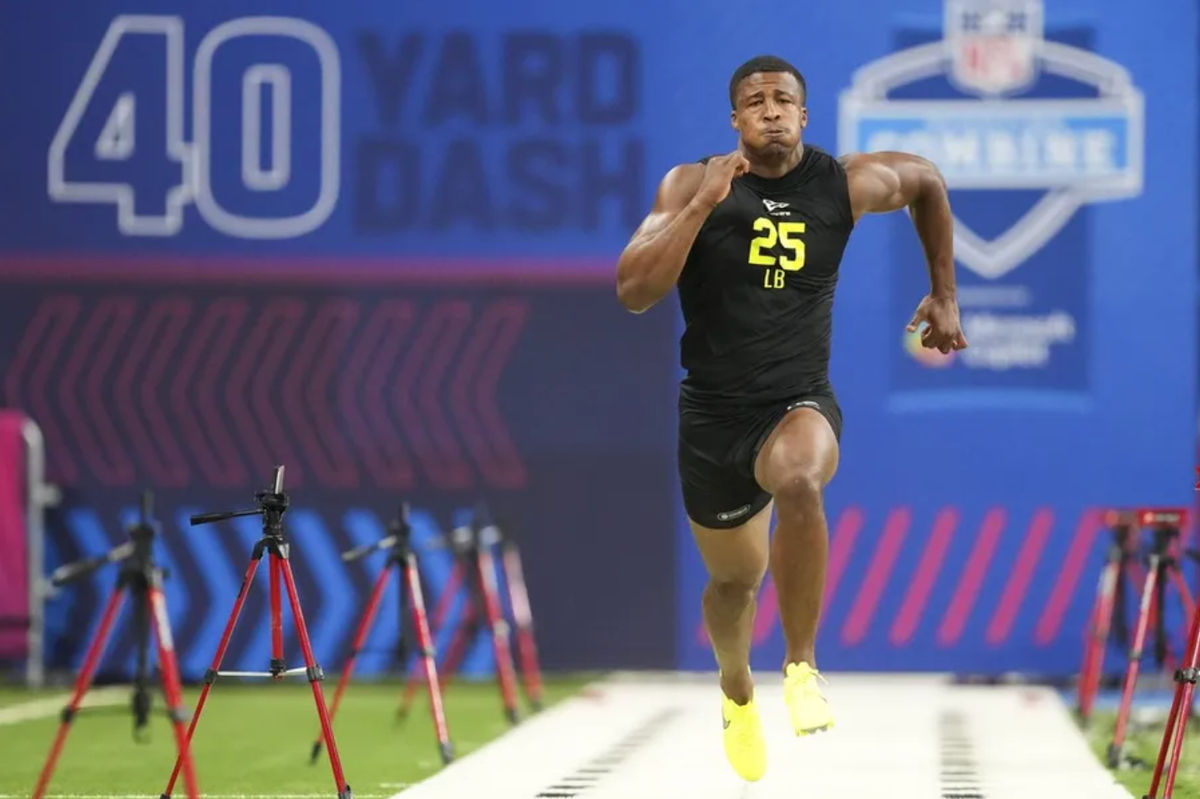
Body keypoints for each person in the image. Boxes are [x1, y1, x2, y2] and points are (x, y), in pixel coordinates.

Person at [615, 54, 968, 782]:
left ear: (805, 116)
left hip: (795, 399)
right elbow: (633, 291)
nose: (770, 109)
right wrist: (702, 205)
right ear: (736, 121)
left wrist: (944, 292)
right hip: (712, 415)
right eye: (755, 101)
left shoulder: (843, 183)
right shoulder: (691, 182)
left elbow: (927, 179)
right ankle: (737, 690)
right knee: (732, 587)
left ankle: (802, 664)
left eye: (784, 100)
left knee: (802, 479)